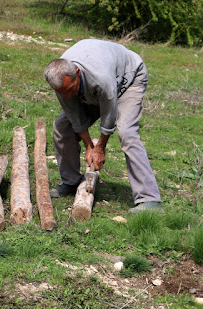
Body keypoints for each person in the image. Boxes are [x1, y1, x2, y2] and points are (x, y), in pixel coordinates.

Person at [44, 39, 164, 213]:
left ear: (77, 72)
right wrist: (88, 146)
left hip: (128, 81)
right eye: (64, 92)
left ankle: (150, 200)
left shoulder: (100, 78)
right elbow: (75, 117)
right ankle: (70, 182)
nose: (68, 96)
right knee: (62, 127)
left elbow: (109, 116)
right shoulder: (61, 82)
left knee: (127, 132)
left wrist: (99, 148)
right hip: (93, 91)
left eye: (71, 89)